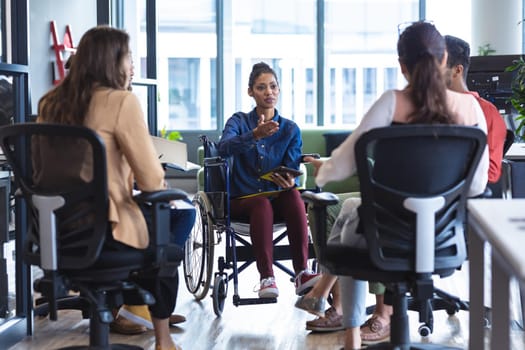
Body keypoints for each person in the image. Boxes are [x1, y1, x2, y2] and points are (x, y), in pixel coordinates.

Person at [304, 21, 489, 349]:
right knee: (351, 212)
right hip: (444, 238)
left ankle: (350, 336)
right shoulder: (472, 109)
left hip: (386, 237)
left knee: (350, 221)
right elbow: (475, 187)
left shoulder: (391, 102)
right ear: (444, 60)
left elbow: (344, 164)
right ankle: (346, 322)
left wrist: (321, 174)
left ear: (402, 66)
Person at [36, 25, 196, 350]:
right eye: (129, 57)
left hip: (54, 234)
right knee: (175, 220)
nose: (132, 64)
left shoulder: (49, 103)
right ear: (111, 61)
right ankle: (162, 337)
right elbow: (152, 182)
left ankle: (127, 299)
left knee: (157, 227)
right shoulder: (122, 102)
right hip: (104, 234)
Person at [217, 62, 320, 298]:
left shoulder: (290, 129)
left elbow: (292, 164)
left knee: (294, 194)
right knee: (261, 203)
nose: (269, 92)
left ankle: (302, 272)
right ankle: (266, 278)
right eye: (261, 87)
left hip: (277, 197)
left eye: (273, 86)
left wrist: (287, 178)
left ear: (279, 89)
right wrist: (254, 135)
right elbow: (223, 148)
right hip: (243, 200)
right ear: (250, 91)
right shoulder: (239, 121)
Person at [444, 34, 507, 184]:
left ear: (457, 71)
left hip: (462, 196)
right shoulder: (423, 107)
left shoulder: (486, 112)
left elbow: (490, 174)